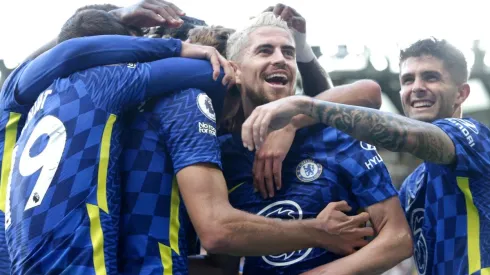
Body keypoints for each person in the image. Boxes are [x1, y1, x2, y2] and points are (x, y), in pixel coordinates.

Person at [242, 37, 490, 275]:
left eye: (431, 77)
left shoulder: (473, 137)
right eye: (407, 80)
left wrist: (301, 107)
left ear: (461, 94)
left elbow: (408, 135)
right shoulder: (413, 185)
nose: (417, 88)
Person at [207, 11, 412, 275]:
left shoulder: (335, 136)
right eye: (265, 51)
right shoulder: (218, 152)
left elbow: (398, 239)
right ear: (235, 70)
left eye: (289, 53)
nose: (280, 59)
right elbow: (223, 262)